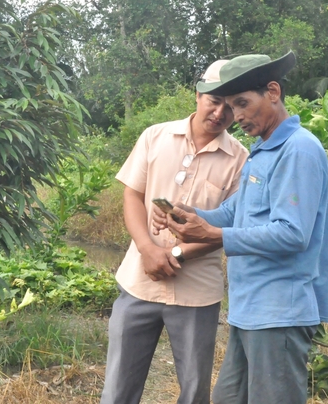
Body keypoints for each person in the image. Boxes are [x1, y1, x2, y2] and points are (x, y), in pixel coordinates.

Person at [156, 51, 328, 404]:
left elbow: (292, 233)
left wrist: (214, 236)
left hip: (279, 311)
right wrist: (190, 216)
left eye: (241, 103)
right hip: (249, 310)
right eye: (230, 107)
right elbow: (234, 211)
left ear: (272, 91)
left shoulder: (298, 150)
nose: (236, 117)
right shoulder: (263, 150)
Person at [99, 60, 249, 404]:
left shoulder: (242, 161)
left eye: (230, 105)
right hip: (139, 281)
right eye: (213, 100)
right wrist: (146, 248)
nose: (219, 112)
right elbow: (132, 194)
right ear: (198, 95)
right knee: (117, 388)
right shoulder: (156, 136)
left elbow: (226, 225)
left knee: (194, 391)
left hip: (196, 294)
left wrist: (176, 253)